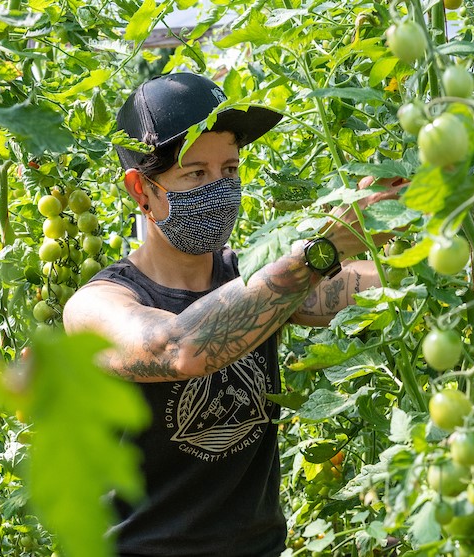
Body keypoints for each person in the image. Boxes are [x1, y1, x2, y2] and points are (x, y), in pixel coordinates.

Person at [62, 71, 405, 557]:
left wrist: (414, 221)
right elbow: (179, 348)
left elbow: (379, 287)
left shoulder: (252, 277)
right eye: (196, 174)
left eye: (229, 170)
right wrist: (323, 248)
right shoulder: (97, 307)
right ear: (141, 190)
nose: (220, 190)